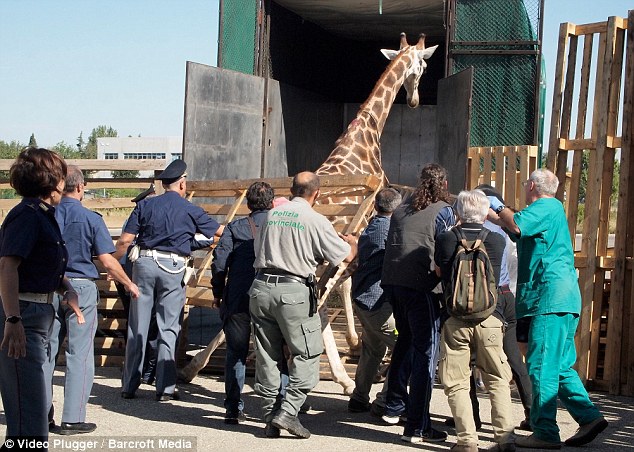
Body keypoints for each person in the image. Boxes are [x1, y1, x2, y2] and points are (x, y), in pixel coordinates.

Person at [490, 168, 608, 449]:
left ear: (531, 185)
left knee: (540, 364)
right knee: (559, 366)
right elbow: (516, 229)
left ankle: (545, 432)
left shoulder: (546, 206)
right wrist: (492, 215)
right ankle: (589, 417)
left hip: (548, 298)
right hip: (561, 299)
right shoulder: (548, 214)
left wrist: (499, 205)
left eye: (524, 184)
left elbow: (517, 224)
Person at [249, 171, 357, 439]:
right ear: (316, 193)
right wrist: (354, 245)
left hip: (261, 288)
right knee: (306, 354)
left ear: (292, 189)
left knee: (267, 356)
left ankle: (270, 417)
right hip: (293, 293)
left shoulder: (271, 215)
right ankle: (288, 412)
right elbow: (341, 257)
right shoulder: (315, 220)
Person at [115, 159, 223, 401]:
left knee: (138, 326)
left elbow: (124, 241)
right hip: (173, 268)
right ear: (182, 184)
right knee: (169, 327)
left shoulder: (145, 206)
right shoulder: (190, 209)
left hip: (143, 264)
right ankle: (164, 388)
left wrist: (111, 264)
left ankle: (129, 385)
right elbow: (218, 232)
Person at [47, 165, 140, 436]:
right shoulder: (91, 219)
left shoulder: (46, 215)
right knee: (80, 354)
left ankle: (41, 415)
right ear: (80, 187)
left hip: (49, 288)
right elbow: (108, 261)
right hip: (81, 287)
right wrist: (129, 283)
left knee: (46, 354)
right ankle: (73, 418)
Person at [0, 147, 79, 444]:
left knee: (31, 415)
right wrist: (13, 318)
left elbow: (39, 265)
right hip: (24, 315)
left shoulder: (43, 215)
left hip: (38, 315)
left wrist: (65, 287)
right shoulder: (27, 215)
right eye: (61, 176)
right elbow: (8, 265)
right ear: (51, 181)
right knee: (29, 417)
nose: (64, 183)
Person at [434, 190, 515, 452]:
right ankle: (505, 438)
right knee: (497, 379)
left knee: (457, 381)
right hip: (490, 318)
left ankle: (467, 440)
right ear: (484, 213)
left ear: (458, 212)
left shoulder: (446, 239)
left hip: (455, 320)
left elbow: (439, 272)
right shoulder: (497, 241)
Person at [380, 163, 455, 443]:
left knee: (406, 341)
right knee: (427, 352)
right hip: (422, 286)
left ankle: (394, 405)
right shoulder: (444, 211)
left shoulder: (400, 210)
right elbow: (445, 250)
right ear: (444, 185)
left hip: (393, 284)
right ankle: (418, 426)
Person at [211, 181, 274, 424]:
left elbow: (219, 263)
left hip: (238, 299)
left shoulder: (236, 228)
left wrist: (218, 293)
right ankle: (278, 407)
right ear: (271, 202)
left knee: (236, 353)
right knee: (274, 353)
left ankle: (233, 409)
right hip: (270, 298)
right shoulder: (281, 226)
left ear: (248, 203)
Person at [347, 187, 401, 415]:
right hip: (379, 305)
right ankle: (385, 400)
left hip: (363, 301)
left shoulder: (370, 227)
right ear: (397, 209)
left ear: (376, 206)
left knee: (373, 348)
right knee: (403, 348)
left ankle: (359, 398)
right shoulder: (392, 231)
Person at [114, 183, 158, 385]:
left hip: (129, 277)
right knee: (150, 326)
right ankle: (145, 372)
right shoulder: (145, 219)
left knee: (140, 325)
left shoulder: (132, 220)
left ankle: (138, 372)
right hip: (134, 278)